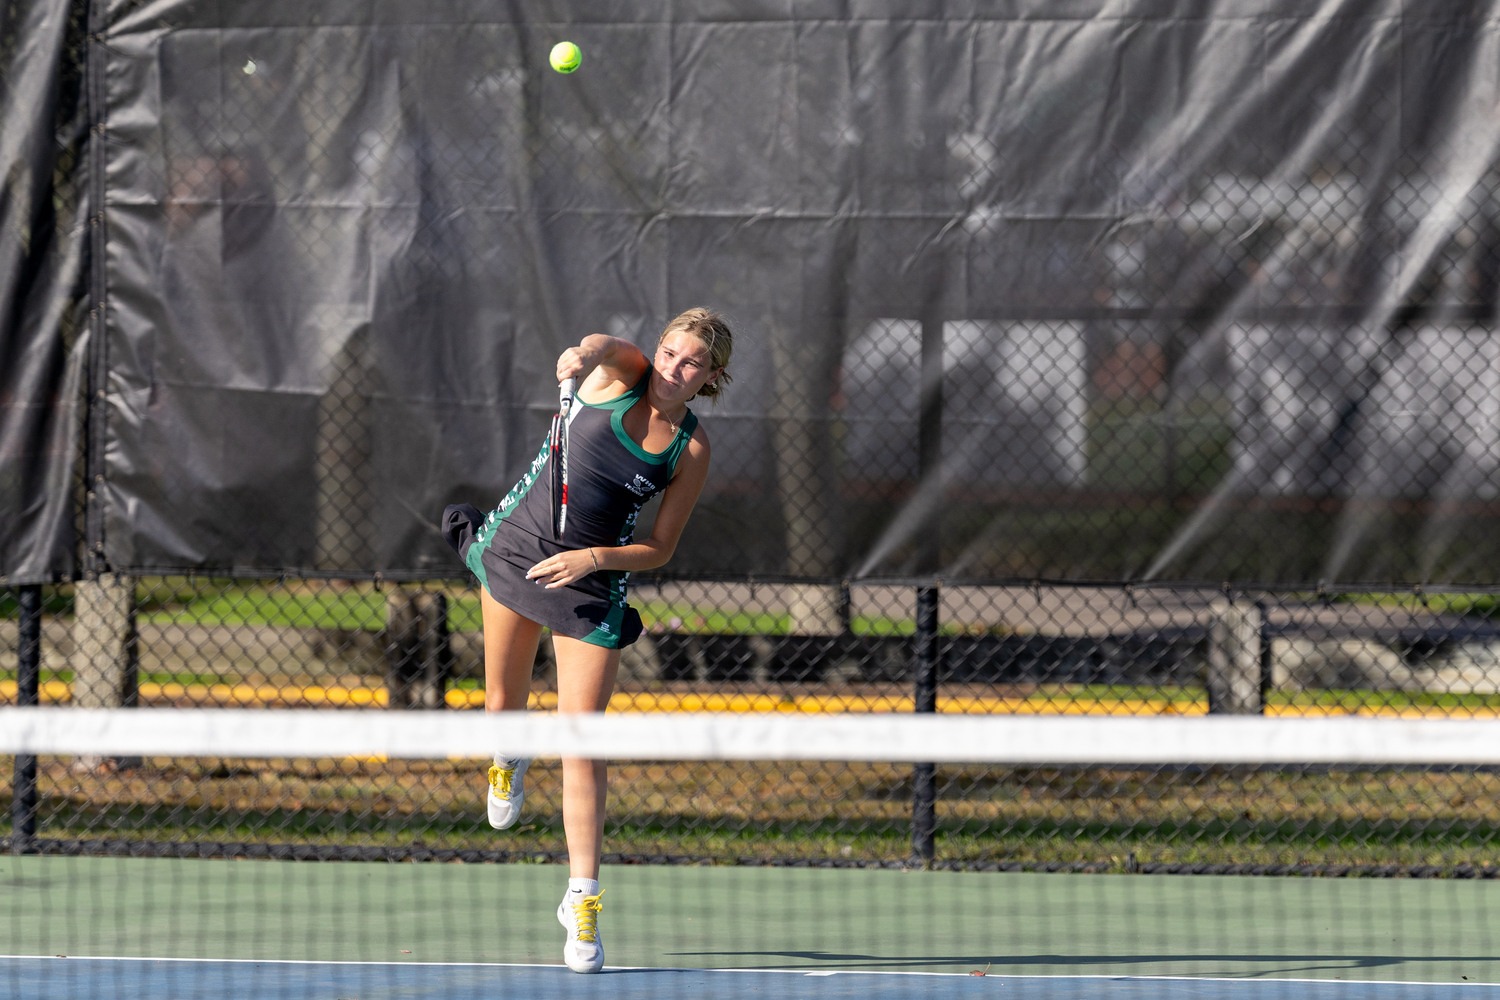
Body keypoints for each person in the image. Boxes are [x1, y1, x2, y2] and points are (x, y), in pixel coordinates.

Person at [442, 308, 732, 974]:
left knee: (583, 739)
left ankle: (582, 900)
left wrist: (593, 560)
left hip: (590, 578)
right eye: (669, 352)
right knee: (499, 704)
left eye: (690, 363)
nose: (672, 369)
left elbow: (658, 548)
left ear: (710, 376)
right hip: (517, 550)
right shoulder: (623, 368)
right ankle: (507, 756)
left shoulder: (691, 448)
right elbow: (602, 344)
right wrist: (579, 356)